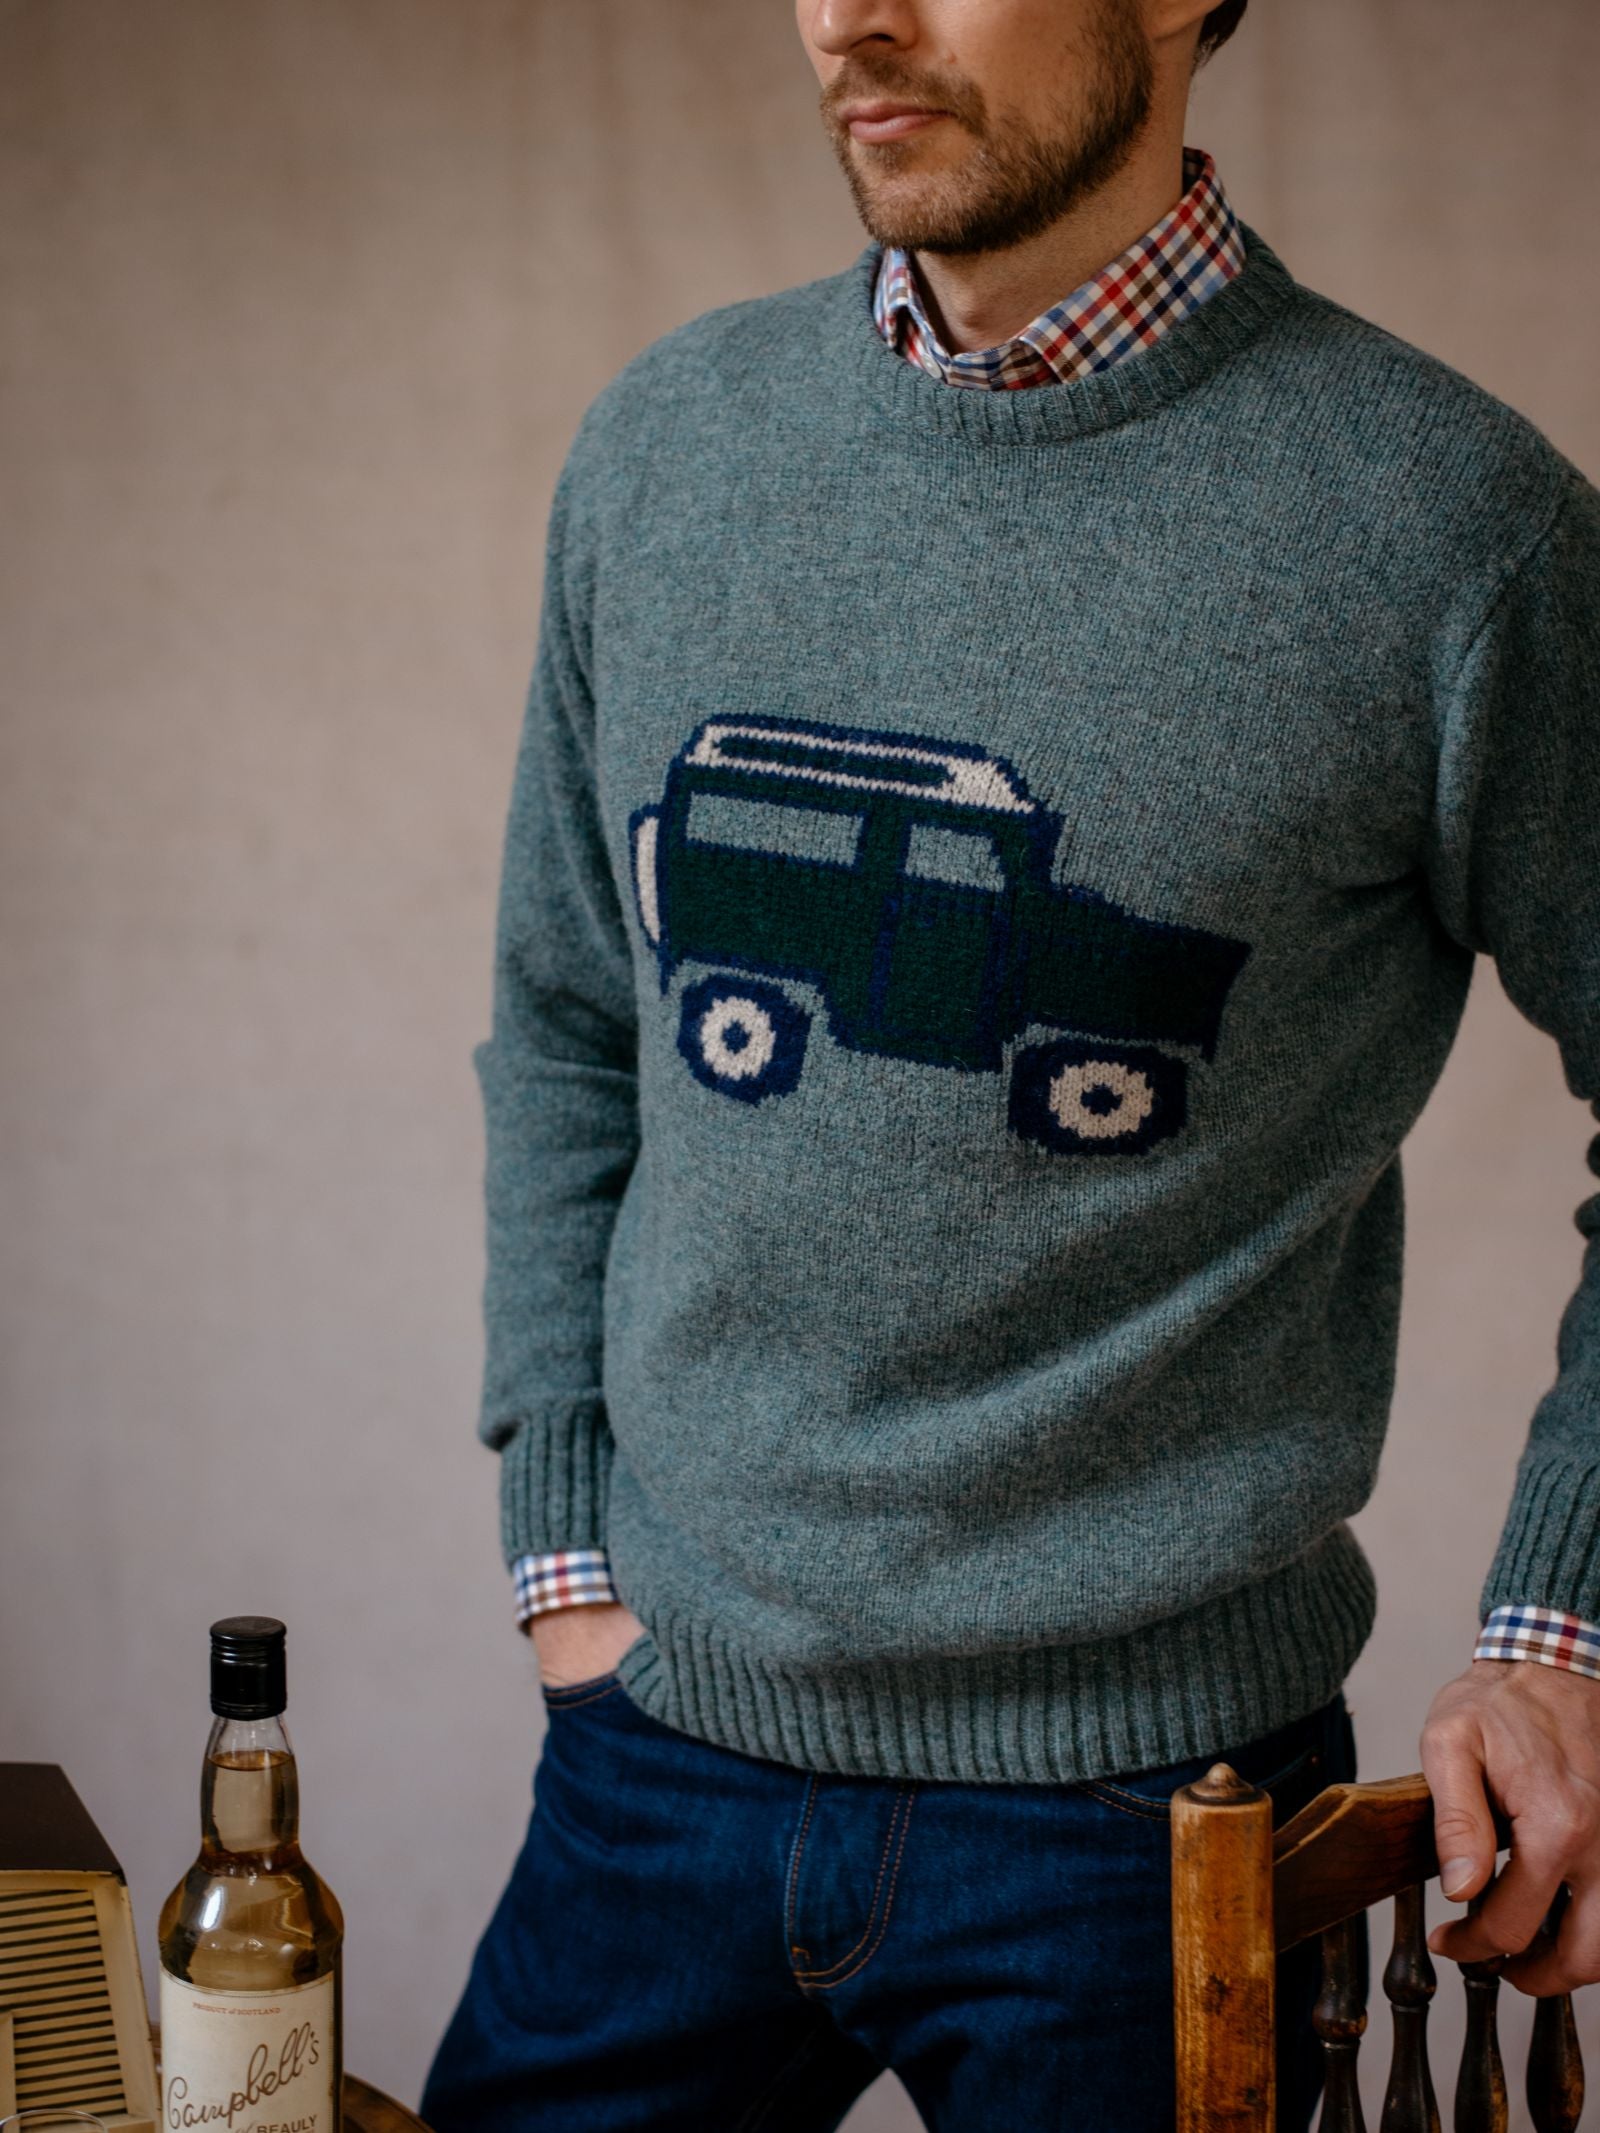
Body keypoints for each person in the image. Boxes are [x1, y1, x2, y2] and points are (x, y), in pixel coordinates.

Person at [422, 1, 1600, 2126]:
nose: (844, 13)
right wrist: (564, 1553)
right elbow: (576, 1016)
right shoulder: (665, 447)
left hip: (1153, 1822)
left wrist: (1555, 1632)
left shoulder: (1452, 531)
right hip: (660, 1746)